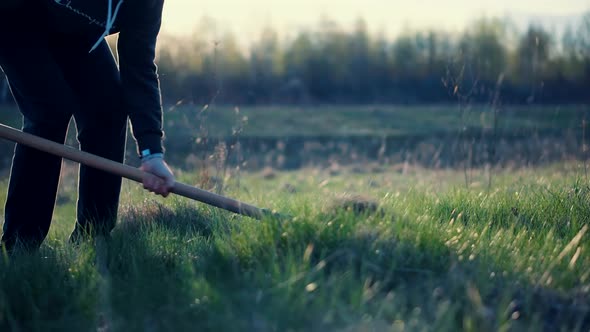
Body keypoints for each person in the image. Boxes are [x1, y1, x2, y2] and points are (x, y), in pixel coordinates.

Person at [0, 0, 175, 251]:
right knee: (50, 110)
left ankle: (93, 238)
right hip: (16, 20)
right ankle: (19, 245)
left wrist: (152, 151)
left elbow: (139, 68)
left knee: (109, 109)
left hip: (76, 36)